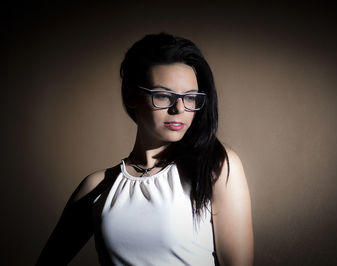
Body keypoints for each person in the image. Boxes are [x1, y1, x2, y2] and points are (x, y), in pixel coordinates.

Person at [37, 33, 253, 266]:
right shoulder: (98, 187)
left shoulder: (216, 166)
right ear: (131, 95)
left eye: (190, 97)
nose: (178, 108)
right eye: (163, 95)